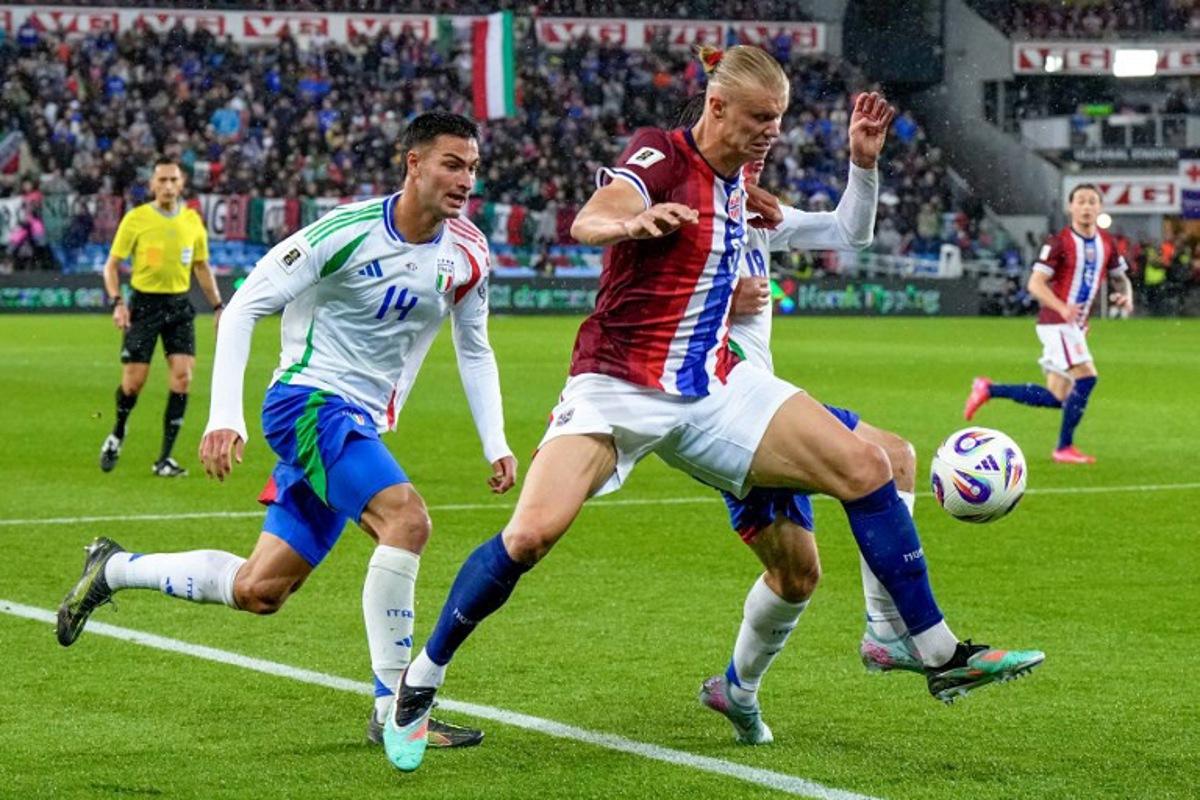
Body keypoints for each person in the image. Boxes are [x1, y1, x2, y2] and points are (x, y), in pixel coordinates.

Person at [384, 47, 1043, 773]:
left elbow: (834, 232)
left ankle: (936, 651)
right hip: (616, 387)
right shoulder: (661, 154)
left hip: (714, 384)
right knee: (530, 536)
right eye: (761, 118)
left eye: (779, 119)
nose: (773, 132)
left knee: (870, 464)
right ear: (718, 108)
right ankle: (420, 683)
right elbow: (592, 217)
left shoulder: (745, 192)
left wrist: (856, 166)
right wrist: (630, 223)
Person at [57, 112, 516, 751]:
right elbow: (244, 305)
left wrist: (495, 441)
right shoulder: (344, 232)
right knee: (407, 520)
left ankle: (112, 569)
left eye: (472, 167)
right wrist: (225, 415)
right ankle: (396, 709)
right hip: (307, 404)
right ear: (413, 164)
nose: (466, 179)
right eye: (452, 164)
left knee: (260, 590)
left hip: (357, 423)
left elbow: (475, 346)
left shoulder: (467, 251)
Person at [667, 98, 929, 745]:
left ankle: (745, 687)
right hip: (722, 406)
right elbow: (638, 302)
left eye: (767, 139)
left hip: (765, 401)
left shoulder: (755, 214)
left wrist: (862, 164)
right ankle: (878, 635)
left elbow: (849, 232)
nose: (763, 147)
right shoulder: (678, 214)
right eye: (750, 133)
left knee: (804, 567)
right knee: (869, 481)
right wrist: (722, 301)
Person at [964, 183, 1133, 463]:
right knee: (1087, 378)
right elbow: (1035, 283)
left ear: (1100, 208)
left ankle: (989, 389)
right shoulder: (1059, 243)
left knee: (1058, 397)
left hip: (1075, 326)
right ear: (1070, 207)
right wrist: (1062, 307)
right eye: (1081, 201)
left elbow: (1120, 277)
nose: (1086, 206)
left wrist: (1126, 296)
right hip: (1057, 323)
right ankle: (1064, 448)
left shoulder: (1106, 243)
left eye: (1092, 201)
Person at [98, 157, 222, 477]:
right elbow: (111, 266)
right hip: (144, 306)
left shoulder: (192, 221)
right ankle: (118, 432)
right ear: (152, 184)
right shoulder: (137, 219)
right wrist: (118, 302)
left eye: (173, 180)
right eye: (162, 180)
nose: (168, 186)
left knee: (183, 377)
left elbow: (201, 266)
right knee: (133, 383)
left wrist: (218, 306)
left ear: (182, 184)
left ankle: (164, 459)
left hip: (179, 305)